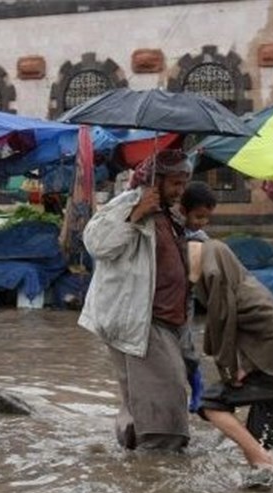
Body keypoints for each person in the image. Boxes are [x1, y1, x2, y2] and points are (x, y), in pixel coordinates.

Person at [78, 149, 192, 451]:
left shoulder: (171, 213)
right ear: (157, 180)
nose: (180, 191)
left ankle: (132, 449)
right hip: (140, 319)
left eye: (183, 184)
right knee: (167, 394)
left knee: (142, 396)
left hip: (167, 320)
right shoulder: (126, 203)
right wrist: (136, 213)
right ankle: (156, 463)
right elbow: (96, 244)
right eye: (175, 184)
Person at [188, 240, 273, 470]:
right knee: (260, 462)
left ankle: (262, 458)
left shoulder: (241, 298)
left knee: (208, 402)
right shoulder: (245, 288)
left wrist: (246, 369)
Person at [178, 181, 218, 412]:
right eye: (198, 217)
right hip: (167, 297)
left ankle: (197, 384)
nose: (202, 222)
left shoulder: (199, 238)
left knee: (185, 346)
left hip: (186, 298)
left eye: (206, 218)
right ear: (184, 211)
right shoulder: (172, 228)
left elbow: (195, 276)